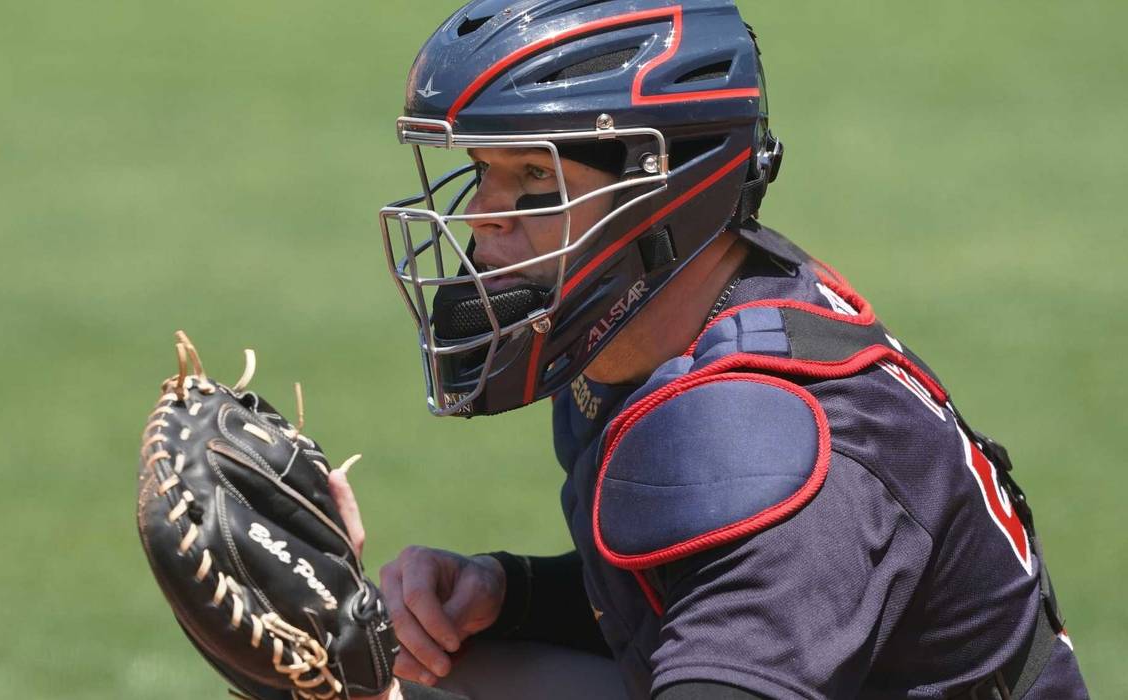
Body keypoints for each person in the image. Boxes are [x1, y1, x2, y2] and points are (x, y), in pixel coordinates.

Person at [360, 1, 1090, 697]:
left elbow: (753, 572)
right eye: (485, 171)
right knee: (430, 665)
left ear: (664, 199)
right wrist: (508, 591)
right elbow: (689, 590)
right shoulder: (667, 321)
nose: (482, 218)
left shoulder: (770, 454)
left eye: (534, 178)